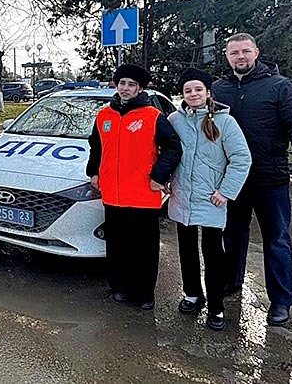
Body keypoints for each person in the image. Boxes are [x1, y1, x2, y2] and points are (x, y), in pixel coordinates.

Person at [212, 33, 292, 326]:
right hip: (232, 180)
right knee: (232, 235)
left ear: (256, 53)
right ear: (227, 56)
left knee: (277, 240)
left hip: (270, 178)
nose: (240, 57)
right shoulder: (218, 89)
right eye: (234, 53)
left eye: (245, 51)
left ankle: (281, 300)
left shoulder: (280, 86)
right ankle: (231, 281)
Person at [86, 64, 182, 310]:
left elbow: (173, 147)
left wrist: (159, 175)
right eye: (122, 83)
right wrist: (93, 172)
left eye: (131, 84)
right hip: (113, 194)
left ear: (139, 88)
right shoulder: (104, 116)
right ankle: (119, 287)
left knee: (144, 248)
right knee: (117, 245)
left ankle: (144, 293)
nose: (126, 88)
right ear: (116, 85)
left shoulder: (152, 116)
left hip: (142, 195)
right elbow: (96, 146)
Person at [167, 68, 252, 331]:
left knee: (213, 252)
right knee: (186, 249)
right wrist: (166, 179)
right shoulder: (174, 120)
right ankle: (192, 294)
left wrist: (226, 191)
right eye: (188, 90)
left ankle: (216, 305)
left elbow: (241, 159)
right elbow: (166, 152)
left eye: (198, 89)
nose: (193, 94)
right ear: (182, 94)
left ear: (207, 92)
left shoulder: (225, 122)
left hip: (211, 198)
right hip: (182, 195)